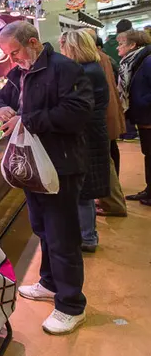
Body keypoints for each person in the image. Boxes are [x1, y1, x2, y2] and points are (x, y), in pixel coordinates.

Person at [0, 21, 93, 335]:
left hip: (61, 167)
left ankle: (72, 305)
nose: (11, 60)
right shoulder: (20, 73)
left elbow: (77, 114)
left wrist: (26, 120)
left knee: (63, 238)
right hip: (32, 167)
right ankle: (49, 283)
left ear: (33, 42)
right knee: (42, 230)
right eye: (8, 55)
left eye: (15, 52)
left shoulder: (65, 69)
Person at [60, 30, 111, 253]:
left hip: (87, 135)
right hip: (93, 132)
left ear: (72, 47)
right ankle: (87, 234)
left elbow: (74, 108)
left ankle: (87, 237)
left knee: (83, 190)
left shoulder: (86, 72)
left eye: (63, 47)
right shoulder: (93, 68)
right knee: (85, 189)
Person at [85, 30, 128, 217]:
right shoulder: (102, 58)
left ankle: (113, 202)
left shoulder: (93, 63)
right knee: (107, 159)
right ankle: (108, 199)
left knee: (106, 161)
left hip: (100, 118)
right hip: (106, 114)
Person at [119, 29, 151, 206]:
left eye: (121, 43)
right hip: (144, 117)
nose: (118, 48)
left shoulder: (146, 61)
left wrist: (140, 102)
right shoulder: (136, 61)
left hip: (148, 116)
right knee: (148, 154)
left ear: (133, 45)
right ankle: (149, 189)